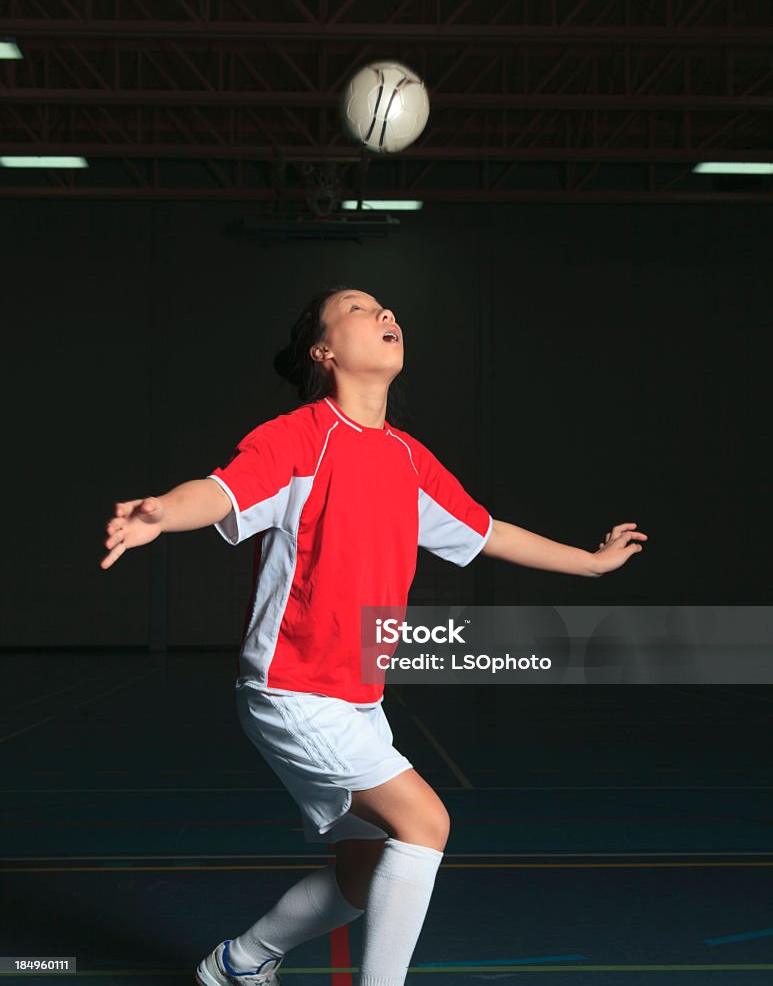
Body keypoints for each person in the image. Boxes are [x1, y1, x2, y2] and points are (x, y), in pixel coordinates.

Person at [100, 286, 647, 986]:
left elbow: (486, 532)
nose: (385, 315)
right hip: (291, 689)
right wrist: (161, 514)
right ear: (324, 352)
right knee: (425, 822)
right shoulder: (297, 437)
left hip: (356, 696)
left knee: (361, 874)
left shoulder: (408, 460)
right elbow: (220, 491)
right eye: (360, 309)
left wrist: (592, 563)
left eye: (386, 308)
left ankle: (238, 961)